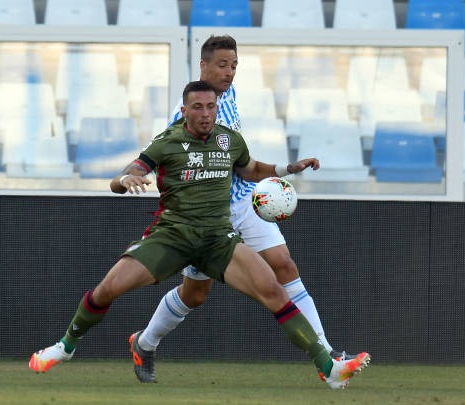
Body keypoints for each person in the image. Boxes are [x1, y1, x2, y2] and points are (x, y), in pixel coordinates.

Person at [29, 81, 370, 389]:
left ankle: (329, 368)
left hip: (217, 239)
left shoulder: (229, 139)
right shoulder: (168, 141)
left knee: (273, 291)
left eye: (211, 107)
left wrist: (286, 169)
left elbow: (249, 169)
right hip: (172, 236)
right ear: (184, 111)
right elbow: (129, 172)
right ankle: (65, 347)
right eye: (198, 107)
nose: (206, 114)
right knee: (108, 289)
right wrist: (123, 181)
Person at [130, 35, 357, 384]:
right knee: (195, 294)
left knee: (283, 264)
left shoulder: (230, 95)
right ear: (203, 66)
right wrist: (135, 173)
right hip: (205, 213)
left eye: (234, 65)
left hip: (243, 200)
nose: (229, 72)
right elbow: (159, 152)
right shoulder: (187, 113)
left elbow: (241, 162)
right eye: (222, 65)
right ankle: (145, 343)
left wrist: (284, 169)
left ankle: (328, 359)